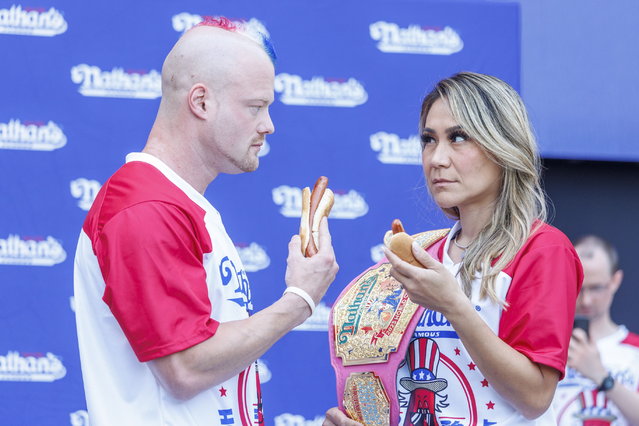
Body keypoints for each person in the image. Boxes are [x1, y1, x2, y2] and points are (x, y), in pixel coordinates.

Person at [73, 17, 338, 425]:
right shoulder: (146, 206)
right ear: (200, 102)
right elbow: (186, 367)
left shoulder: (178, 203)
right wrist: (299, 300)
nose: (269, 125)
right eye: (256, 106)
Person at [324, 72, 583, 425]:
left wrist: (453, 305)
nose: (436, 159)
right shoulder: (422, 252)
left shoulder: (542, 249)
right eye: (429, 140)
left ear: (502, 145)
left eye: (458, 137)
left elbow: (535, 396)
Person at [552, 235, 639, 425]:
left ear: (615, 281)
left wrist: (600, 376)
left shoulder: (635, 350)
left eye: (596, 288)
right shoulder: (547, 345)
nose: (586, 300)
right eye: (578, 287)